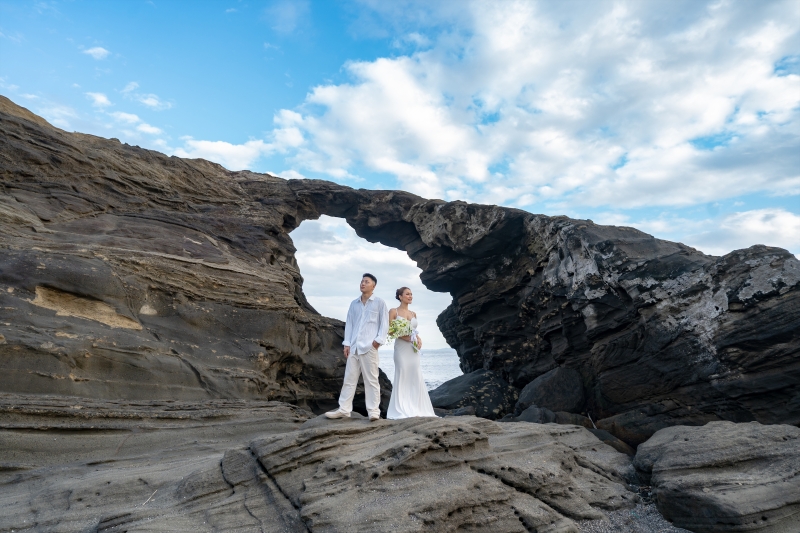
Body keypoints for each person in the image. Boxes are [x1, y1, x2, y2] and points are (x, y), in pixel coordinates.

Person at [325, 273, 389, 421]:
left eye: (366, 281)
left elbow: (384, 324)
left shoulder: (380, 303)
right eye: (361, 281)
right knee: (349, 379)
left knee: (371, 380)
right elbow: (350, 324)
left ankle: (373, 411)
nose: (363, 283)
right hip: (354, 347)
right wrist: (347, 343)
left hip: (369, 347)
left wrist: (377, 341)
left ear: (373, 286)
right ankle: (344, 409)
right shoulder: (354, 303)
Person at [386, 287, 437, 419]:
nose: (410, 296)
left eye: (411, 294)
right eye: (407, 294)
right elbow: (389, 331)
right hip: (401, 349)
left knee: (415, 375)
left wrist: (418, 339)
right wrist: (405, 337)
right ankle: (401, 408)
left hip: (413, 350)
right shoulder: (393, 311)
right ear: (400, 296)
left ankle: (416, 407)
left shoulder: (413, 314)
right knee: (402, 373)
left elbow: (414, 331)